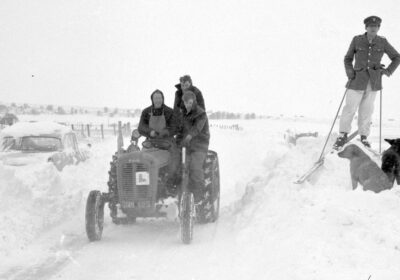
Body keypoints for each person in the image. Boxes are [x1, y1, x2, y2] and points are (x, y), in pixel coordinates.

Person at [334, 16, 400, 149]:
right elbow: (347, 59)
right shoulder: (357, 40)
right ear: (366, 27)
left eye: (376, 27)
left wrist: (387, 71)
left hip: (373, 82)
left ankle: (364, 137)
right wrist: (350, 72)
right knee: (349, 109)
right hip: (356, 81)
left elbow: (396, 57)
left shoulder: (382, 42)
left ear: (378, 28)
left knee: (367, 111)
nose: (373, 28)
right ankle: (342, 135)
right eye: (370, 26)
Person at [138, 89, 180, 190]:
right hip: (151, 141)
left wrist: (166, 131)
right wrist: (149, 132)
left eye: (160, 98)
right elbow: (141, 127)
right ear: (152, 99)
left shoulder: (169, 112)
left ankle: (171, 181)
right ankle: (142, 184)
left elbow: (175, 127)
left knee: (175, 157)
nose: (158, 100)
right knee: (141, 159)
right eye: (155, 98)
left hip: (167, 141)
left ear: (163, 99)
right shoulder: (146, 112)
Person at [179, 90, 210, 204]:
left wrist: (188, 137)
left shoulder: (201, 113)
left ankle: (199, 196)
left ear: (194, 101)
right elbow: (179, 130)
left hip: (199, 145)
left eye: (191, 102)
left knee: (195, 167)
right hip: (187, 146)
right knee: (178, 166)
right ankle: (179, 194)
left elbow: (197, 128)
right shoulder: (183, 114)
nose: (189, 105)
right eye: (186, 102)